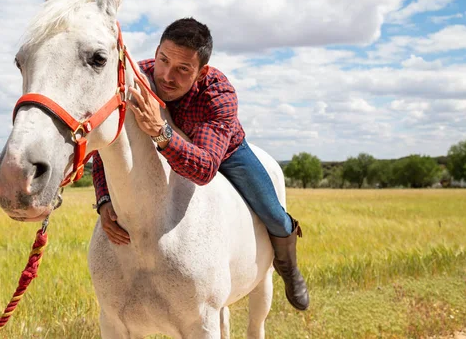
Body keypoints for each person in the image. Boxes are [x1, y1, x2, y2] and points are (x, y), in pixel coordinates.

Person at [91, 17, 309, 311]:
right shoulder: (138, 78)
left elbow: (205, 168)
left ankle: (289, 269)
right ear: (156, 52)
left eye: (183, 69)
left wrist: (160, 131)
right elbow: (108, 139)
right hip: (163, 150)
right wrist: (104, 199)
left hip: (225, 154)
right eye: (163, 60)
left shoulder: (218, 94)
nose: (167, 76)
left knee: (273, 213)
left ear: (202, 71)